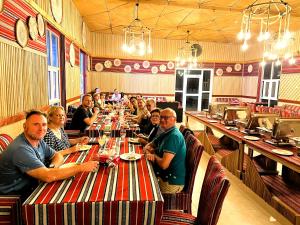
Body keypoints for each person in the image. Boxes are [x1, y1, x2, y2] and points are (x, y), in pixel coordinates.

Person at [0, 110, 98, 201]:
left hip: (36, 186)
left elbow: (57, 156)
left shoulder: (38, 140)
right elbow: (48, 177)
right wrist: (80, 168)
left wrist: (52, 168)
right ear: (25, 126)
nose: (41, 128)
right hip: (17, 197)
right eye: (35, 124)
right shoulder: (21, 149)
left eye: (44, 125)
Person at [144, 108, 186, 194]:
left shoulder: (174, 136)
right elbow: (148, 146)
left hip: (170, 182)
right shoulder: (166, 132)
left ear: (174, 119)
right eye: (161, 117)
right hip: (162, 175)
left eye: (166, 117)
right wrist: (148, 152)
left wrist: (153, 154)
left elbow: (164, 165)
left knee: (144, 190)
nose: (162, 120)